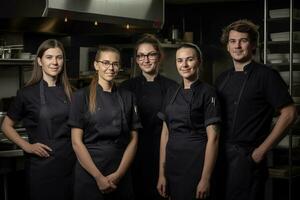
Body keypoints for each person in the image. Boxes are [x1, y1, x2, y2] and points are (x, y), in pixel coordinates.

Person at [214, 19, 298, 200]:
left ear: (253, 45)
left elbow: (290, 113)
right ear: (227, 46)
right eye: (232, 41)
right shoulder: (222, 79)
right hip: (221, 156)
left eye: (243, 40)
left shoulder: (266, 75)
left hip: (247, 158)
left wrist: (261, 152)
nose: (237, 46)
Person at [1, 39, 76, 200]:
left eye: (59, 57)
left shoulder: (72, 93)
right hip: (41, 167)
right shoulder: (26, 94)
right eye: (49, 57)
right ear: (39, 61)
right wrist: (27, 146)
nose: (54, 62)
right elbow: (6, 126)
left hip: (70, 165)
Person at [68, 45, 141, 200]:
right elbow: (76, 142)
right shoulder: (81, 96)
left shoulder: (128, 96)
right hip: (90, 172)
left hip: (120, 169)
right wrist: (98, 177)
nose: (111, 68)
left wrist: (119, 175)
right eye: (106, 63)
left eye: (115, 64)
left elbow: (134, 140)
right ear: (96, 65)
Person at [157, 43, 221, 200]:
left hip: (196, 164)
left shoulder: (208, 92)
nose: (184, 65)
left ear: (199, 62)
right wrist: (161, 174)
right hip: (173, 164)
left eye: (189, 59)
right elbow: (165, 134)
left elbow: (214, 138)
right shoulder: (171, 92)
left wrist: (205, 179)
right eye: (180, 60)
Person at [120, 34, 178, 200]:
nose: (145, 60)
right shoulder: (126, 87)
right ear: (136, 60)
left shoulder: (172, 87)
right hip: (133, 154)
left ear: (159, 56)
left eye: (151, 54)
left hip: (163, 153)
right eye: (141, 56)